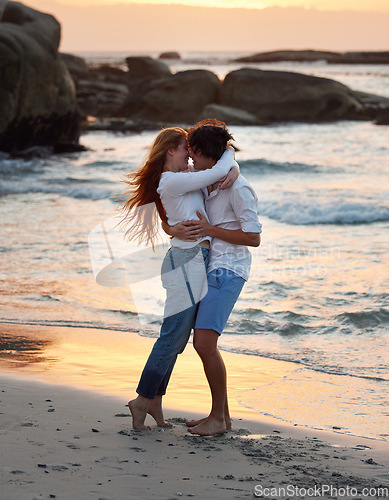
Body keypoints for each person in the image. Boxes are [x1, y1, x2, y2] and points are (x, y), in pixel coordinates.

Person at [119, 126, 239, 430]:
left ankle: (156, 402)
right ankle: (142, 399)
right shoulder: (171, 180)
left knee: (178, 338)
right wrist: (230, 150)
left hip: (193, 260)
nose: (191, 154)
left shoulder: (179, 181)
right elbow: (217, 169)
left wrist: (233, 167)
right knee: (172, 336)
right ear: (170, 149)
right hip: (186, 263)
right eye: (186, 148)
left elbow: (219, 174)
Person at [168, 119, 262, 436]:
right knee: (203, 343)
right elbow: (227, 155)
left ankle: (219, 420)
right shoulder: (208, 179)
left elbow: (253, 237)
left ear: (209, 155)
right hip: (210, 266)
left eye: (195, 154)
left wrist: (210, 231)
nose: (191, 160)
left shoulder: (239, 188)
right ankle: (220, 415)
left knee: (205, 342)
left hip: (229, 269)